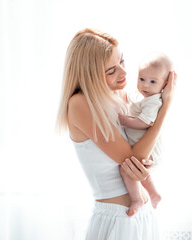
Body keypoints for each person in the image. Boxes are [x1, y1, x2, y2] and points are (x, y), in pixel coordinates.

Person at [56, 28, 176, 239]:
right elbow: (134, 159)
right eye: (111, 71)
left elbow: (142, 155)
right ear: (89, 75)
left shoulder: (118, 96)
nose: (123, 73)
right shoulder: (80, 104)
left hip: (142, 214)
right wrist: (165, 108)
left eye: (122, 62)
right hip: (119, 219)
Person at [118, 52, 173, 217]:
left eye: (153, 82)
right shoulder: (143, 96)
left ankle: (138, 198)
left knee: (127, 170)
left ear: (164, 85)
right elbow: (131, 99)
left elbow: (145, 122)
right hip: (142, 146)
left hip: (150, 150)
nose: (146, 86)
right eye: (142, 79)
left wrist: (125, 121)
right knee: (135, 170)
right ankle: (154, 194)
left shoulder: (154, 101)